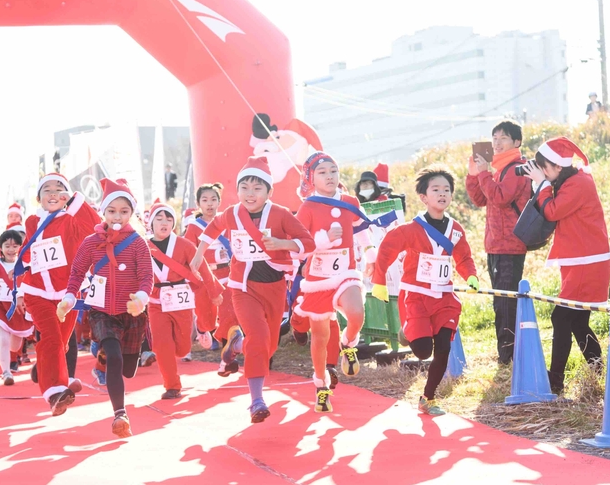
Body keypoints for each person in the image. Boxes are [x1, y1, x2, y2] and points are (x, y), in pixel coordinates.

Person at [191, 157, 314, 424]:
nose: (250, 193)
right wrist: (199, 254)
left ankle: (235, 345)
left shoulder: (281, 214)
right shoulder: (232, 213)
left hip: (274, 288)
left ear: (269, 191)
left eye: (257, 188)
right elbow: (213, 228)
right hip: (242, 287)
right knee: (258, 337)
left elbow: (308, 243)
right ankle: (256, 400)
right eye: (244, 187)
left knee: (267, 347)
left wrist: (282, 242)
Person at [372, 166, 479, 416]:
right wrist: (379, 280)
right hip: (416, 296)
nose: (442, 194)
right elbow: (387, 249)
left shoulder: (455, 229)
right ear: (423, 197)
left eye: (447, 190)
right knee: (422, 351)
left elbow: (464, 258)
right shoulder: (411, 229)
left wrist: (471, 276)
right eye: (436, 190)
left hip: (444, 297)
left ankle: (428, 398)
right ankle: (408, 330)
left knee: (443, 347)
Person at [58, 178, 153, 437]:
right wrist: (69, 297)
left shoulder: (137, 243)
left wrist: (141, 298)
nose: (117, 216)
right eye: (112, 211)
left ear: (132, 213)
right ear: (103, 212)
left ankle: (103, 359)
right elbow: (76, 272)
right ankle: (120, 415)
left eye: (124, 211)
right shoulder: (91, 242)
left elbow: (147, 276)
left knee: (128, 369)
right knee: (114, 355)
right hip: (101, 311)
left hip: (132, 313)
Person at [521, 137, 610, 394]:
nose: (543, 173)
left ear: (558, 167)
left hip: (586, 261)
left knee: (561, 317)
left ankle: (556, 380)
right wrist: (543, 182)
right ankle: (597, 372)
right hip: (581, 259)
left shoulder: (578, 183)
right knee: (577, 321)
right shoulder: (572, 180)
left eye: (545, 168)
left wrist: (542, 184)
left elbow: (552, 212)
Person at [295, 151, 374, 413]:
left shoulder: (350, 201)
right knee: (319, 336)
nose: (329, 176)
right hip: (318, 279)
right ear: (311, 178)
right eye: (322, 172)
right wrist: (325, 239)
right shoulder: (307, 207)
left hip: (346, 272)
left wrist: (371, 255)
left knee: (356, 312)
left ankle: (348, 343)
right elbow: (299, 249)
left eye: (333, 171)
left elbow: (363, 230)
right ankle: (321, 385)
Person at [17, 172, 101, 416]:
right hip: (37, 292)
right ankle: (55, 392)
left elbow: (93, 226)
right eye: (47, 190)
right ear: (38, 198)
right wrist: (21, 288)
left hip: (68, 293)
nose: (53, 193)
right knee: (52, 339)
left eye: (59, 189)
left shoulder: (71, 220)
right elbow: (26, 252)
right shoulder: (32, 221)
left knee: (61, 343)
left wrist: (76, 201)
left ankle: (46, 371)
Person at [466, 120, 530, 364]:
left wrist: (484, 174)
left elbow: (501, 197)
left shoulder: (517, 168)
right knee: (501, 301)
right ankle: (508, 354)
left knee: (505, 303)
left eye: (503, 138)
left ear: (516, 142)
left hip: (509, 245)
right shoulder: (499, 170)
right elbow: (482, 199)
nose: (496, 143)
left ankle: (509, 357)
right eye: (494, 139)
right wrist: (475, 175)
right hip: (496, 244)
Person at [146, 201, 221, 399]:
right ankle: (172, 386)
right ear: (151, 223)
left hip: (180, 301)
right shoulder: (143, 247)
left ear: (174, 224)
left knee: (182, 347)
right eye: (159, 219)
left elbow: (202, 267)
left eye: (168, 219)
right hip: (155, 303)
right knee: (162, 346)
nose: (164, 223)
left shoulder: (183, 245)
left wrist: (214, 292)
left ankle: (197, 331)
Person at [183, 183, 240, 365]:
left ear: (219, 202)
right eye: (205, 200)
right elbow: (187, 254)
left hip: (227, 275)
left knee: (229, 315)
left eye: (213, 200)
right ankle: (201, 328)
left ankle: (228, 354)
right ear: (198, 203)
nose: (209, 204)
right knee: (208, 320)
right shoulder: (193, 227)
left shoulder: (227, 223)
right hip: (204, 279)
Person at [0, 229, 33, 385]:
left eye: (15, 246)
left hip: (19, 310)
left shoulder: (25, 265)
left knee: (15, 345)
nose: (11, 249)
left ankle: (11, 356)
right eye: (7, 245)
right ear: (0, 247)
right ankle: (6, 372)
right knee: (2, 339)